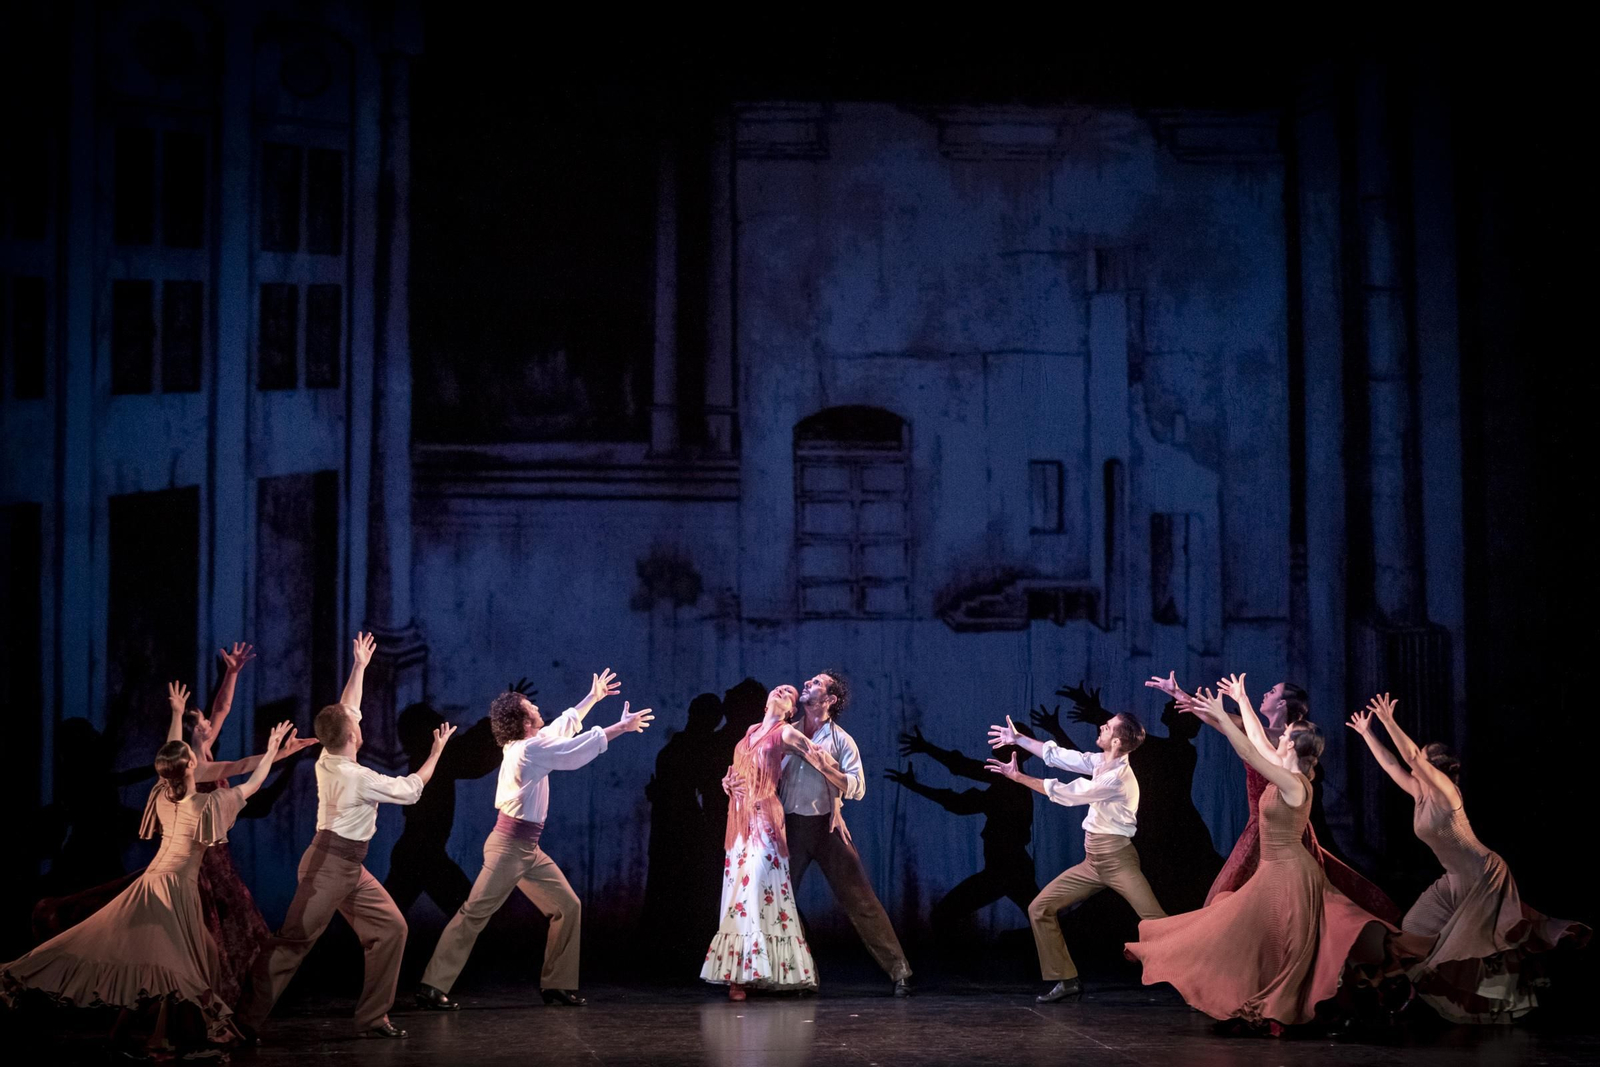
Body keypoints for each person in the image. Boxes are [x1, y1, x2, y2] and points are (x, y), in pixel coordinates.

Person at [1126, 677, 1423, 1029]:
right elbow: (1255, 742)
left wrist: (1225, 711)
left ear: (1294, 747)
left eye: (1284, 738)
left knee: (1289, 944)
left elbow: (1250, 750)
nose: (1277, 739)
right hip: (1276, 868)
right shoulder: (1286, 772)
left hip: (1290, 872)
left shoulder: (1293, 783)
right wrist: (1239, 699)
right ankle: (1276, 997)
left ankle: (1325, 1001)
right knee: (1253, 934)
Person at [2, 720, 296, 1054]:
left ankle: (153, 1034)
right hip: (173, 889)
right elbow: (253, 785)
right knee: (181, 968)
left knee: (200, 957)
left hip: (156, 882)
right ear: (190, 767)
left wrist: (175, 714)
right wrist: (273, 750)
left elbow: (169, 760)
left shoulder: (161, 795)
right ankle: (198, 1031)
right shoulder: (207, 804)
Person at [238, 633, 456, 1040]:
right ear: (353, 736)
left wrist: (359, 665)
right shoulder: (358, 777)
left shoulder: (327, 755)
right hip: (328, 866)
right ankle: (242, 1021)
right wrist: (436, 752)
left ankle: (374, 1017)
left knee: (391, 929)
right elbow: (411, 789)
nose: (360, 721)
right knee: (292, 943)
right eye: (357, 723)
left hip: (348, 866)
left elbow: (346, 709)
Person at [417, 670, 652, 1010]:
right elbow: (572, 750)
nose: (538, 708)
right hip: (508, 848)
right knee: (474, 913)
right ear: (524, 721)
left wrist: (593, 698)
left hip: (527, 849)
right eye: (532, 706)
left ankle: (556, 985)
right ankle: (431, 985)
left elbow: (561, 730)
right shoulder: (528, 750)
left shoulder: (528, 745)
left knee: (567, 906)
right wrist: (620, 728)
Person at [1349, 693, 1589, 1022]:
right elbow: (1393, 764)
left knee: (1474, 948)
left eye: (1425, 761)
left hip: (1484, 876)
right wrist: (1367, 733)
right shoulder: (1420, 793)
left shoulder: (1446, 792)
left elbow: (1411, 756)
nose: (1415, 764)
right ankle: (1406, 985)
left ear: (1438, 769)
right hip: (1455, 879)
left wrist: (1389, 721)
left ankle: (1489, 1005)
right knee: (1414, 926)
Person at [1145, 670, 1400, 923]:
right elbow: (1220, 720)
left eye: (1272, 692)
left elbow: (1250, 742)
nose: (1265, 694)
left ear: (1282, 705)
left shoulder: (1286, 743)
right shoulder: (1265, 734)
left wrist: (1239, 701)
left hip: (1282, 824)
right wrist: (1176, 692)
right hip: (1262, 819)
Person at [986, 710, 1164, 1002]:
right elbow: (1061, 756)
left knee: (1157, 923)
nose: (1101, 727)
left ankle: (1198, 981)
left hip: (1118, 861)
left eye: (1107, 727)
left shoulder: (1118, 778)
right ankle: (1066, 979)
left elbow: (1068, 794)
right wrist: (1019, 739)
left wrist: (1018, 777)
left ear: (1117, 742)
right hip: (1093, 862)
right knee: (1039, 908)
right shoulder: (1100, 762)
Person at [776, 671, 913, 996]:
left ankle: (900, 970)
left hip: (827, 827)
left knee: (861, 900)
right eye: (808, 682)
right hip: (790, 828)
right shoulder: (785, 733)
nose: (807, 684)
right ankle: (798, 972)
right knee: (781, 901)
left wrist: (827, 768)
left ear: (831, 699)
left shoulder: (840, 741)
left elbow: (857, 787)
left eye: (817, 684)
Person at [702, 685, 833, 1000]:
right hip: (739, 818)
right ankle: (740, 976)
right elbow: (737, 772)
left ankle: (766, 971)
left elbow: (819, 756)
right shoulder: (749, 731)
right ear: (765, 703)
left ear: (790, 709)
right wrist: (727, 783)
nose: (782, 691)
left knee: (757, 888)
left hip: (764, 816)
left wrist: (839, 788)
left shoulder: (785, 733)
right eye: (778, 689)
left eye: (788, 693)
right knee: (736, 893)